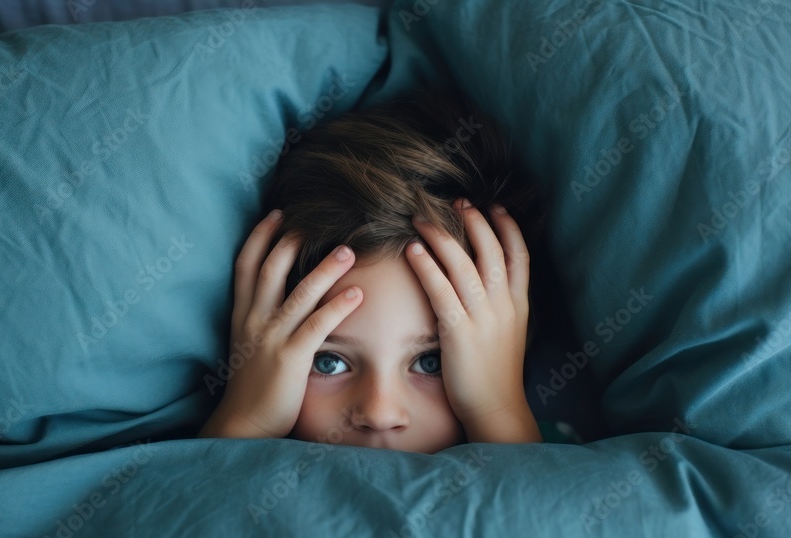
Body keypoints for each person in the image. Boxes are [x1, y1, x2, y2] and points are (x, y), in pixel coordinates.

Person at [198, 86, 556, 453]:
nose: (379, 414)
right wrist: (246, 419)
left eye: (431, 362)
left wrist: (498, 411)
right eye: (328, 362)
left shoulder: (557, 458)